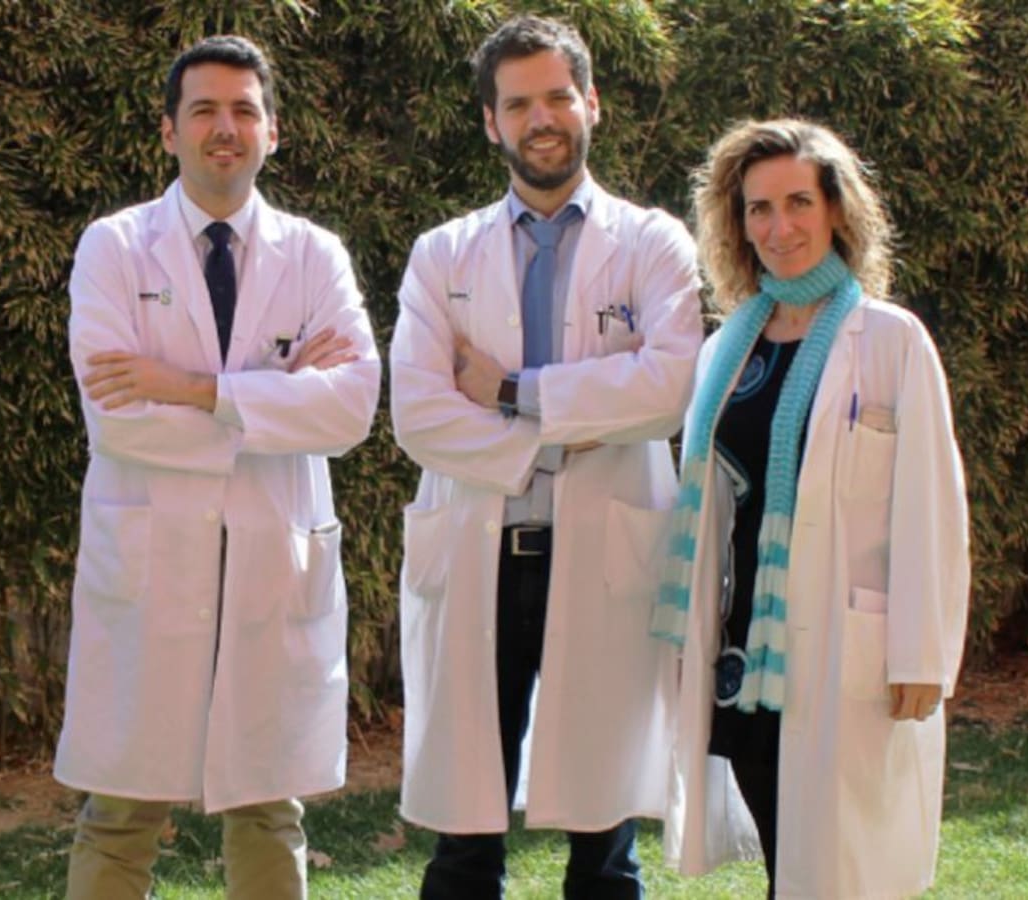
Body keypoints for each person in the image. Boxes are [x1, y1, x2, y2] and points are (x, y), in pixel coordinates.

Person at [54, 35, 380, 899]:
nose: (224, 128)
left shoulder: (315, 254)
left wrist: (191, 388)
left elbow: (350, 409)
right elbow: (118, 422)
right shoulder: (114, 248)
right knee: (119, 809)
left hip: (272, 559)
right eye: (203, 110)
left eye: (244, 110)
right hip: (153, 565)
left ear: (273, 131)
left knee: (267, 805)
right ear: (170, 131)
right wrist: (278, 397)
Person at [389, 15, 704, 900]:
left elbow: (668, 392)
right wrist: (582, 417)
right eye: (519, 103)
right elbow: (418, 416)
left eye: (559, 96)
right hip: (480, 555)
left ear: (592, 103)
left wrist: (506, 390)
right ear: (491, 122)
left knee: (604, 842)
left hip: (601, 558)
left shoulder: (653, 243)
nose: (542, 118)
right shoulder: (441, 254)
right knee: (464, 839)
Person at [653, 118, 970, 898]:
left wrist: (922, 656)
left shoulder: (891, 341)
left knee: (838, 869)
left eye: (799, 202)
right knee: (784, 856)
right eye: (759, 208)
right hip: (745, 654)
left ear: (836, 210)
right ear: (737, 224)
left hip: (844, 646)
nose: (780, 227)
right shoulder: (728, 350)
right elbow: (710, 504)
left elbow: (932, 508)